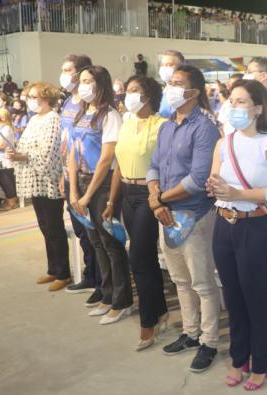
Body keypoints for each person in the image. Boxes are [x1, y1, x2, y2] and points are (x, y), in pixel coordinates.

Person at [206, 79, 267, 390]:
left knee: (256, 297)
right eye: (232, 100)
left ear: (257, 108)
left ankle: (262, 364)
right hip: (223, 224)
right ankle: (238, 358)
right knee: (233, 296)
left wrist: (238, 192)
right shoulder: (223, 142)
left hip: (255, 226)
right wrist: (215, 187)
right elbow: (214, 179)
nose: (234, 107)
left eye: (241, 102)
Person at [146, 65, 221, 372]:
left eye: (178, 84)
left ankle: (209, 341)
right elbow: (154, 166)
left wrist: (159, 199)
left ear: (194, 92)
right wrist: (155, 198)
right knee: (180, 280)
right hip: (165, 214)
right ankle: (190, 333)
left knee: (202, 282)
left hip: (194, 214)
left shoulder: (204, 128)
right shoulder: (166, 126)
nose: (171, 88)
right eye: (170, 83)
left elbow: (198, 178)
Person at [69, 65, 132, 325]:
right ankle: (106, 296)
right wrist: (74, 190)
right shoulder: (82, 113)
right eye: (80, 81)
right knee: (95, 242)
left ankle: (122, 300)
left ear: (100, 84)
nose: (82, 85)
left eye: (87, 81)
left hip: (102, 184)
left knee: (110, 243)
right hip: (82, 183)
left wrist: (87, 196)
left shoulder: (110, 116)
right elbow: (72, 153)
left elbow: (107, 159)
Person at [110, 75, 168, 350]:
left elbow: (165, 166)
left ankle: (148, 322)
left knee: (138, 258)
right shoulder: (126, 122)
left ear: (148, 95)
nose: (128, 95)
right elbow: (119, 164)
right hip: (126, 193)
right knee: (146, 260)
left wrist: (159, 197)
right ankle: (160, 311)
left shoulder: (161, 125)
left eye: (135, 90)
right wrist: (113, 200)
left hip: (149, 194)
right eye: (127, 90)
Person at [8, 82, 72, 291]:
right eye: (29, 97)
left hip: (49, 181)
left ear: (46, 98)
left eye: (34, 97)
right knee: (44, 226)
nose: (31, 101)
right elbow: (26, 144)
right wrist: (16, 153)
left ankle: (63, 273)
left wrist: (24, 155)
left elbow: (49, 152)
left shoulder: (53, 119)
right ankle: (52, 269)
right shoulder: (34, 119)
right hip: (35, 179)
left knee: (54, 227)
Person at [58, 54, 102, 304]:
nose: (64, 74)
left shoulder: (89, 106)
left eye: (68, 70)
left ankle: (99, 279)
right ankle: (90, 274)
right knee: (80, 230)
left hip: (88, 175)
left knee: (93, 231)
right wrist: (62, 173)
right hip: (69, 174)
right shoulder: (67, 103)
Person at [157, 49, 185, 118]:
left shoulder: (186, 93)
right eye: (162, 65)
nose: (164, 68)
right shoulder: (162, 94)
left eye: (169, 65)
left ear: (180, 68)